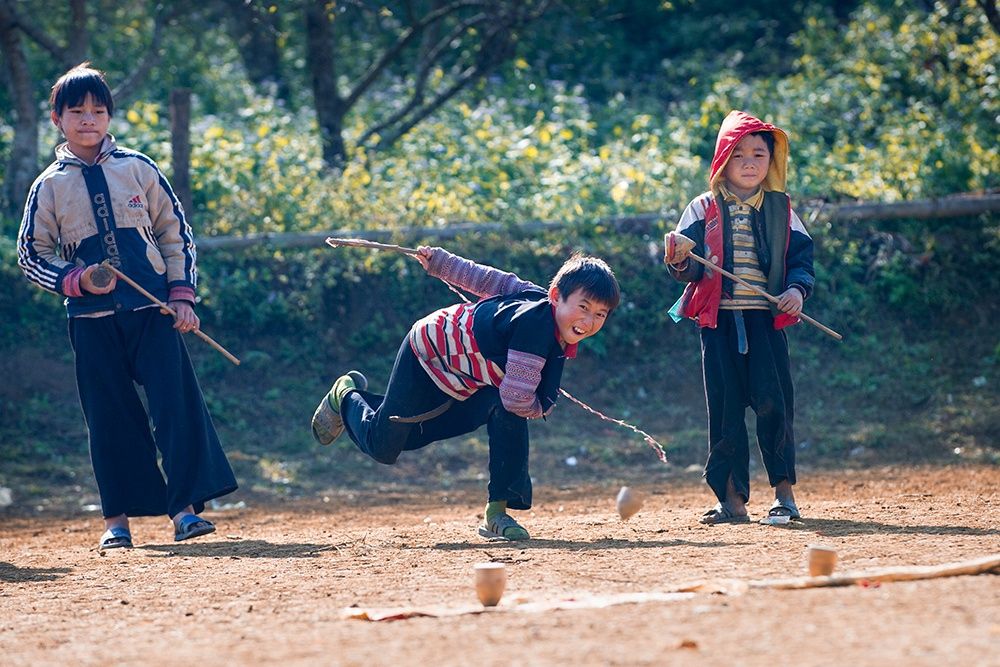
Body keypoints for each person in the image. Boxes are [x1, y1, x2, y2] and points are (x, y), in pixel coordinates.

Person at [16, 63, 238, 549]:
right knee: (109, 418)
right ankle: (116, 522)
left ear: (110, 115)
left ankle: (184, 512)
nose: (88, 119)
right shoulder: (48, 186)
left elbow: (174, 232)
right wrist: (74, 280)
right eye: (77, 111)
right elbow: (32, 255)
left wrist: (181, 295)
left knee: (174, 409)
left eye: (98, 110)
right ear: (57, 118)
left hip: (153, 312)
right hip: (91, 322)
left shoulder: (138, 168)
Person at [311, 246, 620, 540]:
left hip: (468, 379)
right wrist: (541, 407)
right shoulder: (534, 325)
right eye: (583, 307)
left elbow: (486, 279)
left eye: (600, 314)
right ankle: (346, 395)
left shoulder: (543, 311)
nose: (589, 321)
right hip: (427, 355)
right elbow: (516, 396)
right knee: (384, 445)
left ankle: (497, 512)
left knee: (496, 412)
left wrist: (441, 262)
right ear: (555, 296)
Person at [664, 109, 815, 525]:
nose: (750, 163)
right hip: (719, 325)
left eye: (759, 155)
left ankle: (784, 496)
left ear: (771, 162)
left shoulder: (782, 210)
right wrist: (682, 260)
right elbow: (687, 267)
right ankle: (731, 501)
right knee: (726, 412)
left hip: (766, 323)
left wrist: (795, 292)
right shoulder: (701, 208)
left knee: (774, 405)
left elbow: (801, 261)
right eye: (739, 154)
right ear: (722, 160)